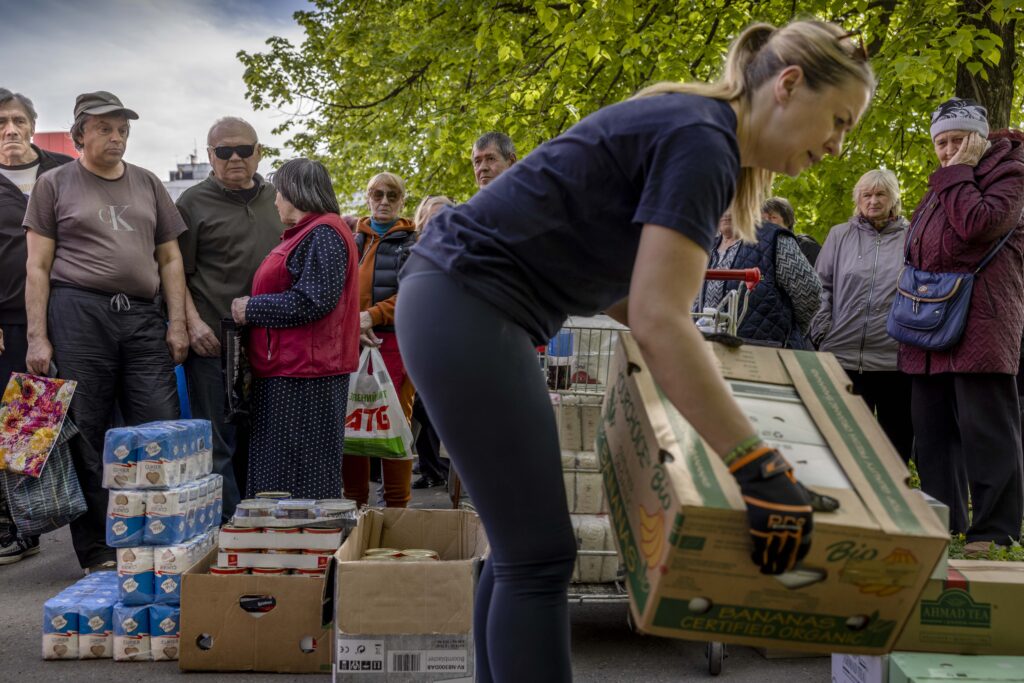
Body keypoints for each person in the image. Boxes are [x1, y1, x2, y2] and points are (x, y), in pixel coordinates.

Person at [397, 20, 872, 682]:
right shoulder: (703, 141)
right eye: (841, 121)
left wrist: (692, 344)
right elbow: (656, 317)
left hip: (459, 299)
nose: (839, 145)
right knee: (537, 557)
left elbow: (626, 289)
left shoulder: (700, 132)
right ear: (789, 85)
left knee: (520, 555)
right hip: (467, 301)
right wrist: (759, 468)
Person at [23, 91, 189, 572]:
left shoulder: (149, 183)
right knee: (89, 432)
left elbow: (171, 258)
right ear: (80, 135)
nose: (116, 137)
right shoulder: (53, 185)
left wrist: (176, 322)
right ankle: (99, 549)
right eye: (105, 129)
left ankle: (162, 536)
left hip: (141, 316)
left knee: (158, 426)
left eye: (122, 129)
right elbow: (37, 265)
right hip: (79, 313)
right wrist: (38, 336)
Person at [900, 98, 1024, 555]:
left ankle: (995, 532)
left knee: (987, 433)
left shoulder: (1010, 173)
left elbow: (977, 225)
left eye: (957, 140)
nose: (948, 151)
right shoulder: (945, 184)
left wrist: (959, 172)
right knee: (931, 432)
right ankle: (945, 522)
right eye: (940, 143)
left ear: (979, 138)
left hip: (982, 322)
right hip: (929, 323)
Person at [231, 158, 358, 499]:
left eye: (279, 193)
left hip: (305, 374)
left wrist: (250, 308)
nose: (275, 201)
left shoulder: (324, 234)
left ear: (296, 193)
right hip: (290, 370)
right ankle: (285, 545)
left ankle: (303, 545)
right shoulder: (310, 234)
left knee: (299, 477)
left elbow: (313, 301)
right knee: (282, 475)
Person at [176, 117, 284, 520]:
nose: (234, 158)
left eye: (243, 149)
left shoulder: (279, 197)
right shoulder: (191, 202)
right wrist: (192, 324)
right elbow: (175, 273)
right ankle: (230, 532)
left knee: (263, 438)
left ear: (259, 152)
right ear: (210, 156)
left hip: (272, 341)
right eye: (224, 151)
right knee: (217, 442)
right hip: (214, 340)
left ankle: (262, 525)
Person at [0, 88, 73, 566]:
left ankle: (93, 517)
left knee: (78, 417)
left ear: (32, 123)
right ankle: (20, 524)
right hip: (9, 317)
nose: (9, 130)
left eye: (17, 120)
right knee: (20, 425)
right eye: (0, 122)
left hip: (69, 309)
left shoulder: (62, 170)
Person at [810, 169, 912, 461]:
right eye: (866, 195)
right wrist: (822, 331)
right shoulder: (839, 235)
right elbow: (820, 287)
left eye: (880, 194)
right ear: (858, 199)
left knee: (895, 450)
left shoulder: (911, 237)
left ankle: (893, 505)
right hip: (842, 356)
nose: (873, 201)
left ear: (893, 199)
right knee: (844, 448)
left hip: (895, 361)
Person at [342, 172, 418, 507]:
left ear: (402, 200)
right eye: (377, 194)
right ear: (367, 197)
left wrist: (372, 316)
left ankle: (397, 509)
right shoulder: (350, 239)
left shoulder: (415, 242)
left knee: (394, 426)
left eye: (392, 195)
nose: (384, 201)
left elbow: (416, 293)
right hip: (351, 345)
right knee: (353, 425)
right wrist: (352, 323)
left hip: (396, 345)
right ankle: (355, 507)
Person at [695, 210, 822, 349]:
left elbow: (809, 293)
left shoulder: (774, 238)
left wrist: (791, 332)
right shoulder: (706, 245)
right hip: (710, 354)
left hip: (766, 355)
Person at [409, 195, 456, 489]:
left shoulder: (462, 251)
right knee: (422, 408)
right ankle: (432, 467)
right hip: (420, 344)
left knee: (438, 409)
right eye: (431, 216)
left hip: (451, 345)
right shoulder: (414, 253)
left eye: (444, 216)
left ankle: (442, 467)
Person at [762, 196, 822, 265]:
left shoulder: (806, 246)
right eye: (763, 219)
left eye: (772, 217)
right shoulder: (759, 253)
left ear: (787, 221)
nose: (766, 222)